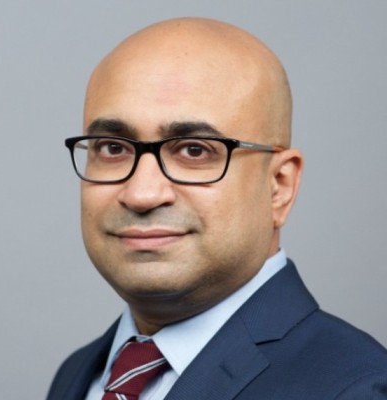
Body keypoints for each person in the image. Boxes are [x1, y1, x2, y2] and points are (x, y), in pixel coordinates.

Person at [47, 17, 387, 399]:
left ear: (279, 186)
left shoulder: (356, 389)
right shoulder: (78, 375)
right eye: (113, 148)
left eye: (194, 151)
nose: (141, 193)